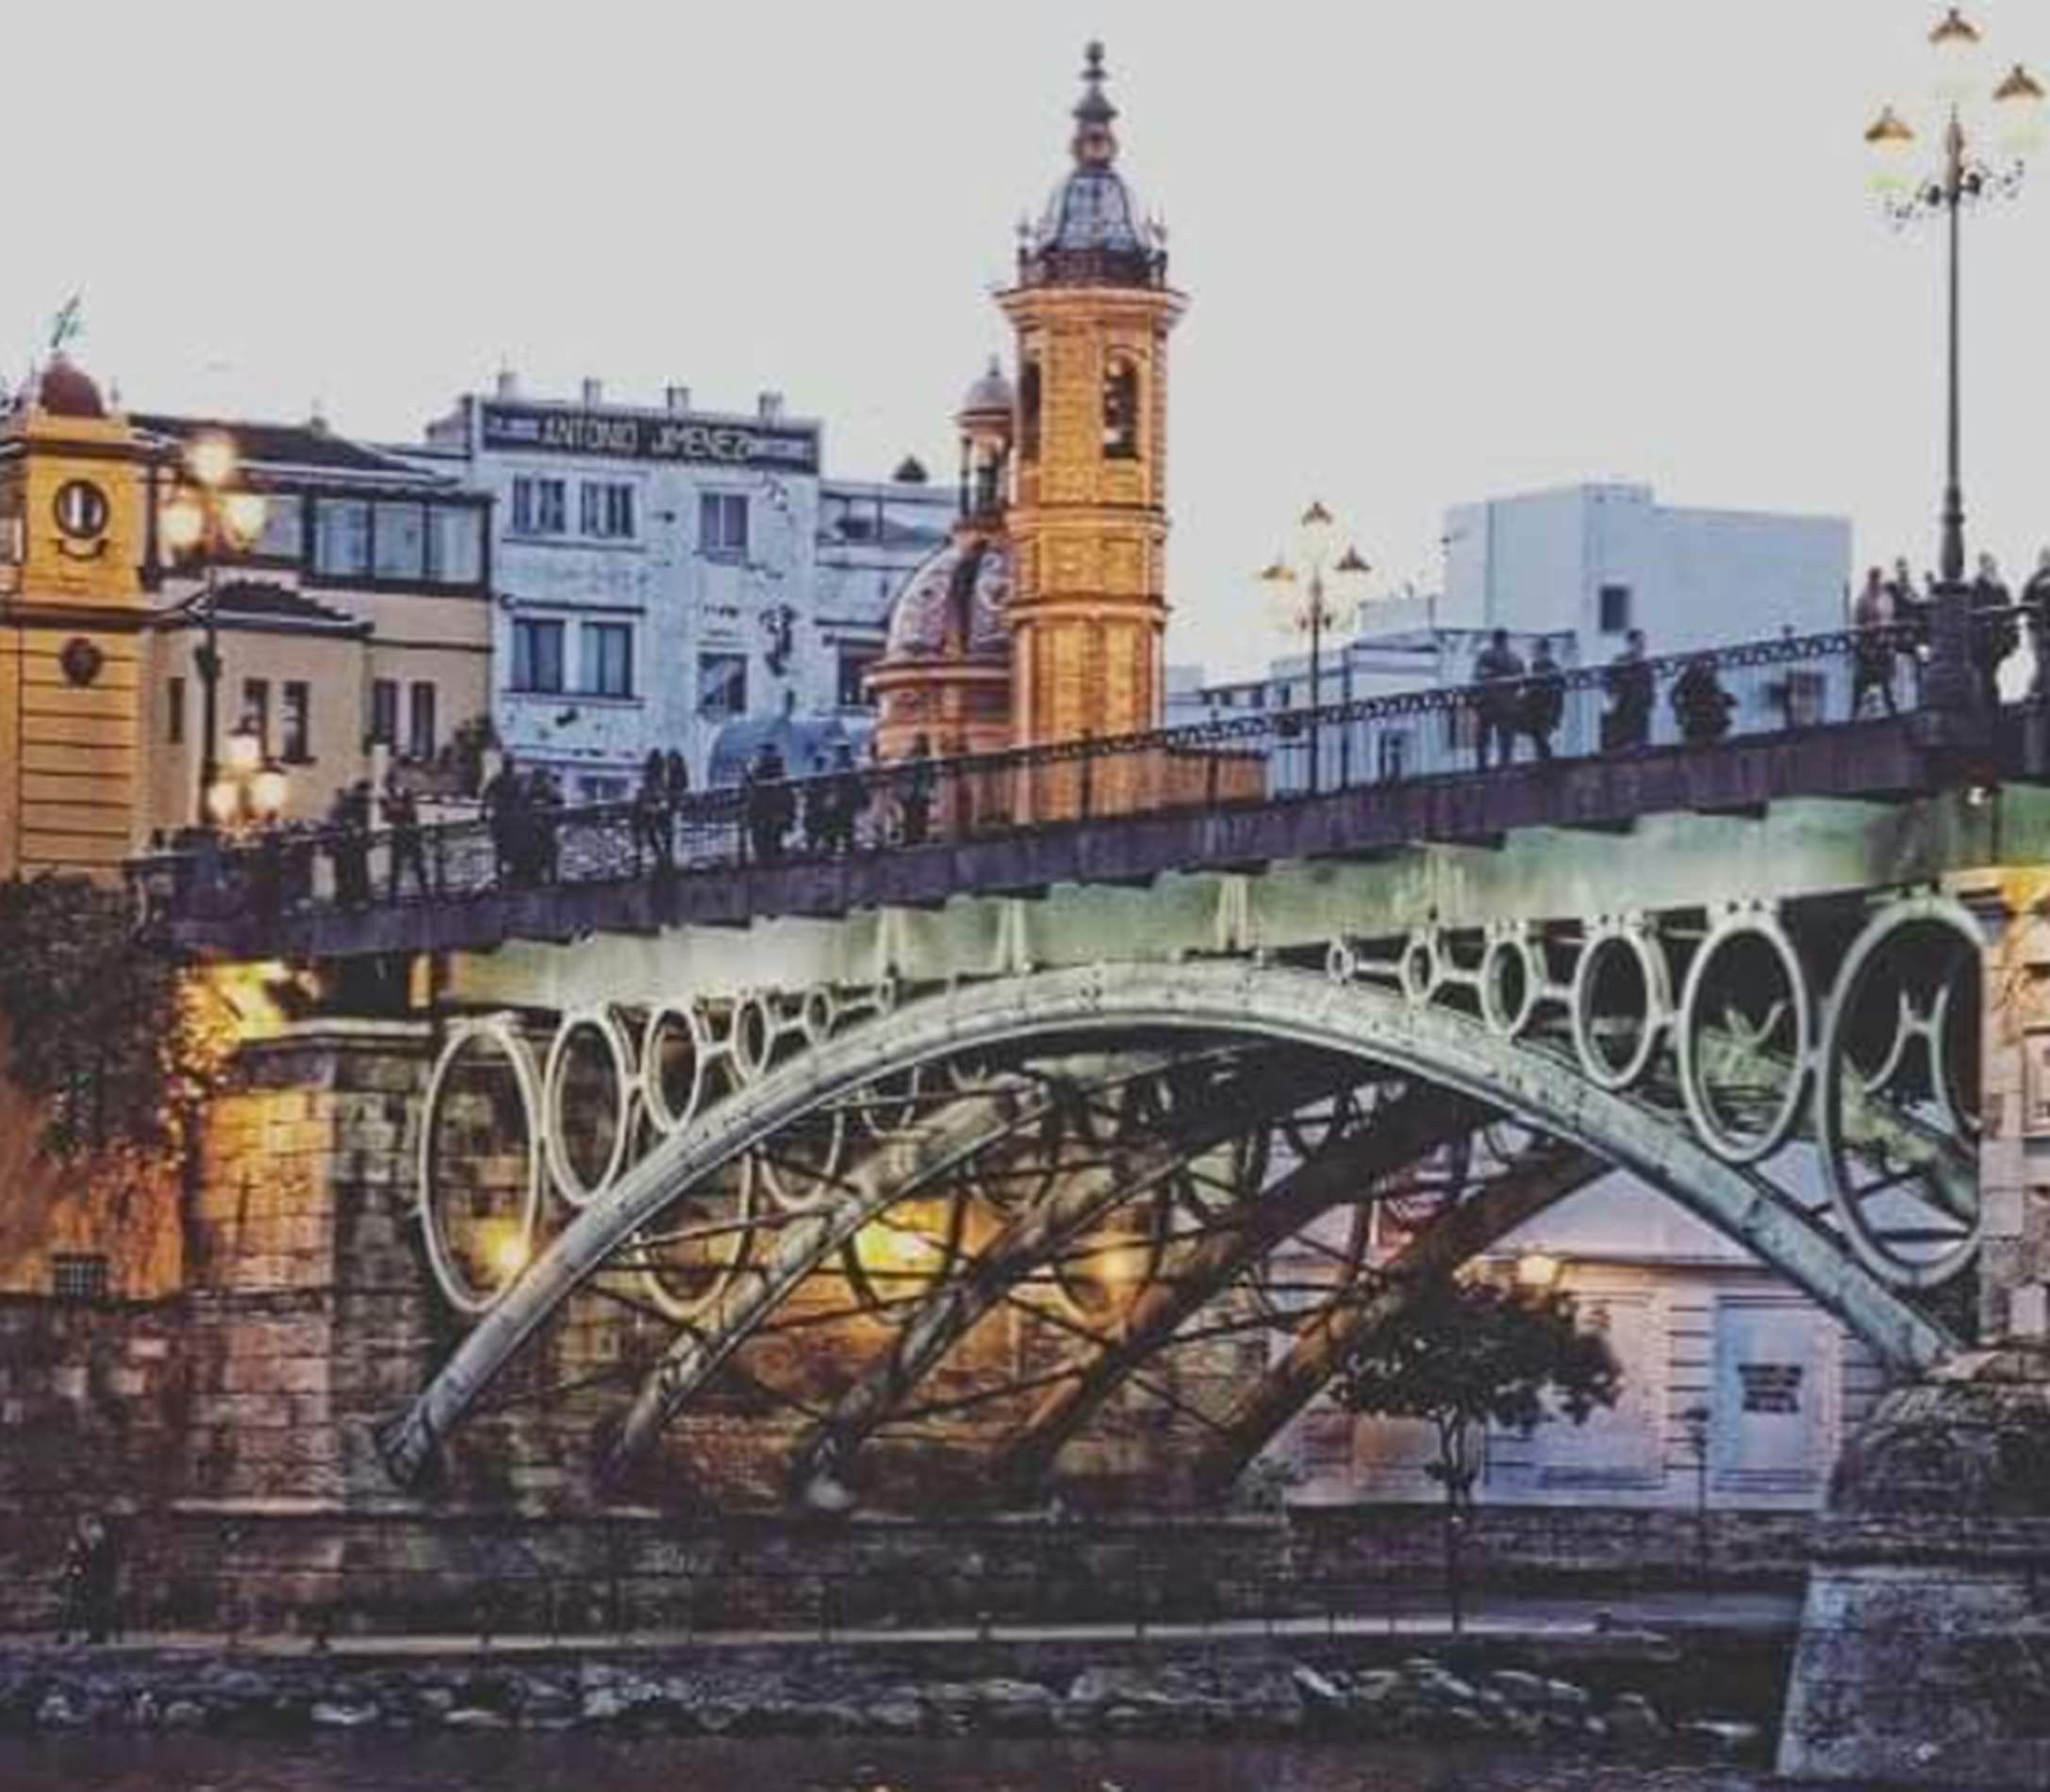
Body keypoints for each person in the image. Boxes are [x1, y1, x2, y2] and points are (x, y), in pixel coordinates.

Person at [56, 1513, 115, 1646]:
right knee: (72, 1606)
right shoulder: (77, 1541)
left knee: (95, 1607)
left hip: (96, 1579)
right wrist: (75, 1570)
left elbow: (105, 1561)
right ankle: (65, 1634)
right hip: (79, 1579)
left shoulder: (101, 1541)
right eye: (84, 1526)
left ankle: (96, 1635)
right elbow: (72, 1560)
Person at [1471, 628, 1526, 771]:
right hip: (1507, 704)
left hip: (1488, 703)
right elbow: (1520, 682)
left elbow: (1478, 676)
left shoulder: (1485, 656)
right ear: (1506, 640)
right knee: (1506, 739)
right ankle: (1505, 765)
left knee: (1483, 738)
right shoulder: (1515, 658)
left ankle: (1482, 765)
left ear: (1494, 640)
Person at [1849, 567, 1898, 720]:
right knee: (1861, 683)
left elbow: (1889, 619)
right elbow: (1858, 623)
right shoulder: (1863, 599)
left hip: (1882, 645)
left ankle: (1891, 710)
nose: (1875, 581)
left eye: (1877, 578)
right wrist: (1863, 645)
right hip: (1867, 646)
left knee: (1884, 682)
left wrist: (1888, 640)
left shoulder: (1885, 598)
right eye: (1873, 578)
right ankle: (1855, 713)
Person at [1970, 551, 2017, 708]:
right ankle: (1988, 709)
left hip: (1997, 640)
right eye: (1989, 563)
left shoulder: (2000, 586)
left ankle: (1990, 707)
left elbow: (2009, 612)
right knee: (1985, 677)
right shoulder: (1976, 587)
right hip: (1983, 641)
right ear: (1982, 565)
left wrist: (2012, 638)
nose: (1993, 566)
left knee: (1989, 676)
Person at [1601, 628, 1654, 752]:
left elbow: (1649, 685)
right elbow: (1609, 680)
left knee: (1639, 737)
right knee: (1625, 735)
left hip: (1640, 708)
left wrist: (1650, 699)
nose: (1642, 646)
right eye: (1639, 643)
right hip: (1625, 706)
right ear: (1631, 643)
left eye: (1643, 643)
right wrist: (1614, 693)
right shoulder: (1620, 661)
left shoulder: (1645, 665)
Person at [383, 771, 431, 899]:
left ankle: (424, 892)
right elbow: (388, 816)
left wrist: (396, 810)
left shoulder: (405, 795)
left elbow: (410, 814)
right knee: (397, 867)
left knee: (417, 865)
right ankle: (393, 895)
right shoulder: (389, 799)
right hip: (401, 834)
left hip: (408, 833)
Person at [743, 741, 792, 864]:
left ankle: (767, 856)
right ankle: (769, 855)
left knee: (768, 832)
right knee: (769, 832)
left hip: (767, 805)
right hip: (767, 805)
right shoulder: (768, 767)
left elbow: (752, 782)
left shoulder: (762, 767)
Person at [1672, 655, 1736, 744]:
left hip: (1710, 713)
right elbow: (1675, 696)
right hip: (1695, 713)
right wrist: (1680, 712)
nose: (1705, 668)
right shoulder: (1688, 679)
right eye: (1701, 664)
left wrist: (1726, 699)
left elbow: (1717, 693)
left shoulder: (1710, 679)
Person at [1520, 638, 1565, 762]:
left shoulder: (1551, 668)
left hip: (1545, 709)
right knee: (1539, 739)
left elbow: (1556, 692)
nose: (1534, 653)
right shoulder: (1538, 666)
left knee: (1541, 738)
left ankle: (1546, 763)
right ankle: (1544, 762)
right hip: (1538, 710)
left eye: (1536, 650)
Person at [633, 749, 672, 873]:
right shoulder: (658, 783)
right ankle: (661, 857)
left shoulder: (650, 783)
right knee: (659, 837)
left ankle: (649, 858)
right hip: (653, 817)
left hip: (648, 818)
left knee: (652, 837)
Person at [824, 741, 867, 855]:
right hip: (839, 801)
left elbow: (857, 783)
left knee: (847, 824)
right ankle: (834, 847)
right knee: (836, 825)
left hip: (847, 800)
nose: (842, 753)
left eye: (843, 751)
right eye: (840, 751)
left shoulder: (851, 766)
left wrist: (862, 798)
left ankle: (848, 846)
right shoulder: (834, 766)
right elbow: (830, 784)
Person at [2024, 549, 2050, 702]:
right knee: (2043, 664)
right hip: (2039, 630)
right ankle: (2035, 695)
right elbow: (2026, 603)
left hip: (2041, 630)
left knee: (2044, 665)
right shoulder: (2034, 581)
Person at [900, 733, 935, 846]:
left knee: (918, 814)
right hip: (914, 791)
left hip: (918, 790)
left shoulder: (923, 757)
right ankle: (913, 836)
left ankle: (916, 836)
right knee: (913, 814)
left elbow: (929, 775)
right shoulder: (917, 756)